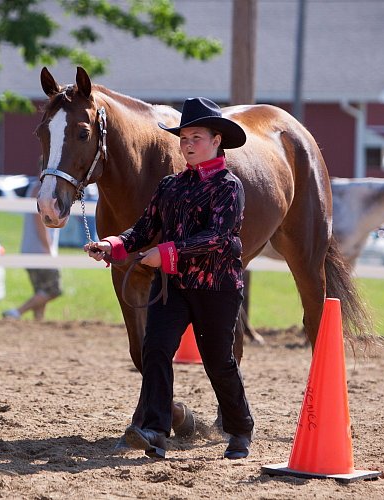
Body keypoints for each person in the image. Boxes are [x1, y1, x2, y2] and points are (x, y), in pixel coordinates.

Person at [84, 97, 254, 460]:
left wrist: (166, 253)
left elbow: (218, 238)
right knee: (156, 348)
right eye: (184, 138)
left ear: (216, 140)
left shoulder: (229, 186)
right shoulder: (170, 186)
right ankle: (155, 429)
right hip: (174, 287)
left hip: (217, 289)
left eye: (196, 137)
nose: (188, 145)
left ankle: (240, 428)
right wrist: (112, 245)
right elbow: (144, 229)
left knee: (218, 361)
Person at [2, 179, 62, 320]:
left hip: (32, 248)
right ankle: (16, 312)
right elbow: (39, 222)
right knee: (53, 290)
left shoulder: (36, 188)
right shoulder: (41, 190)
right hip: (40, 249)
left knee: (41, 291)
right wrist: (49, 249)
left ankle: (38, 322)